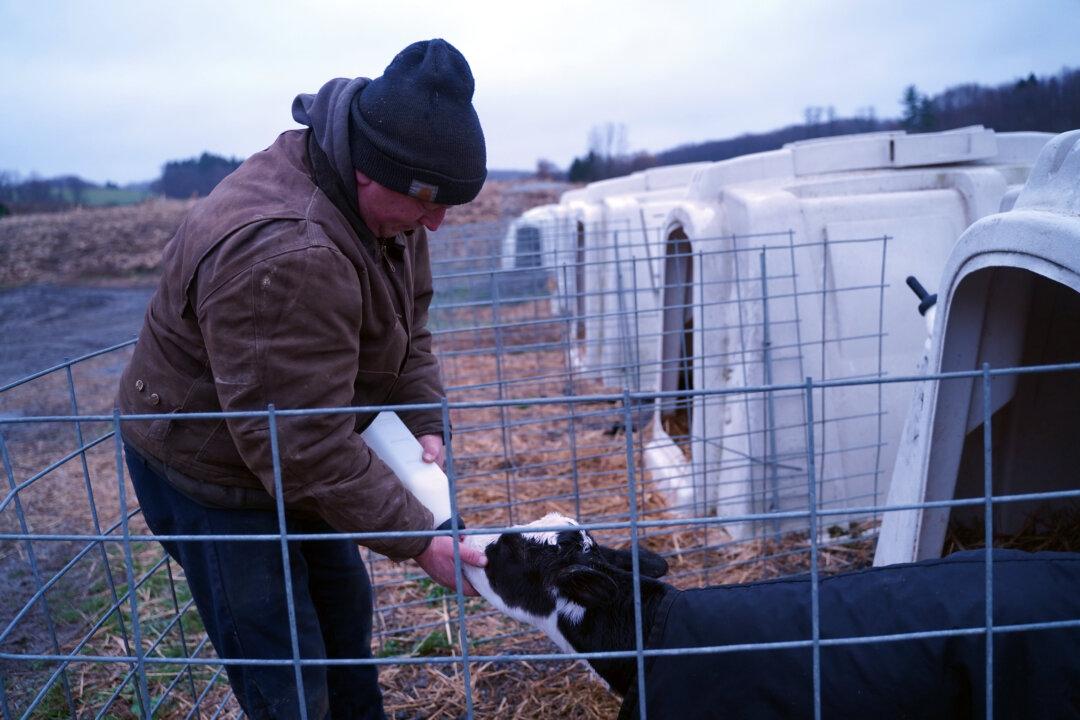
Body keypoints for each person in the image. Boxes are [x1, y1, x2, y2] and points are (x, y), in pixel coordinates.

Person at [117, 39, 489, 720]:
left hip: (289, 440)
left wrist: (425, 419)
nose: (435, 222)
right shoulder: (287, 251)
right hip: (215, 477)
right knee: (285, 666)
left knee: (342, 614)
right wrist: (420, 539)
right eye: (429, 203)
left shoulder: (391, 203)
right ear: (372, 172)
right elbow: (301, 444)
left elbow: (412, 327)